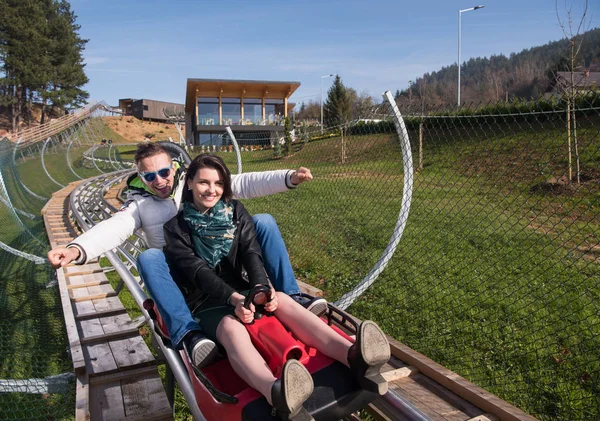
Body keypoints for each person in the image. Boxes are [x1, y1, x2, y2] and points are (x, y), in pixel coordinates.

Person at [47, 142, 327, 369]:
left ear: (176, 169)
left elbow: (244, 183)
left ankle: (293, 294)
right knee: (149, 258)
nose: (159, 181)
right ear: (141, 178)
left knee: (263, 220)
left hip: (221, 262)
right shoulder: (139, 205)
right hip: (184, 273)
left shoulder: (195, 184)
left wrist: (289, 177)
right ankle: (188, 332)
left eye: (164, 172)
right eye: (149, 176)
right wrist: (76, 248)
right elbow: (114, 228)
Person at [162, 154, 390, 420]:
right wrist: (234, 299)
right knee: (231, 327)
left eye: (218, 183)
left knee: (281, 298)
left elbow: (250, 250)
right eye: (203, 182)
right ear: (189, 183)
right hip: (206, 301)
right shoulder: (175, 228)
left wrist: (260, 287)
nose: (212, 190)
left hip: (241, 289)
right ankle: (276, 392)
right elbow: (197, 272)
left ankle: (352, 355)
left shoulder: (235, 211)